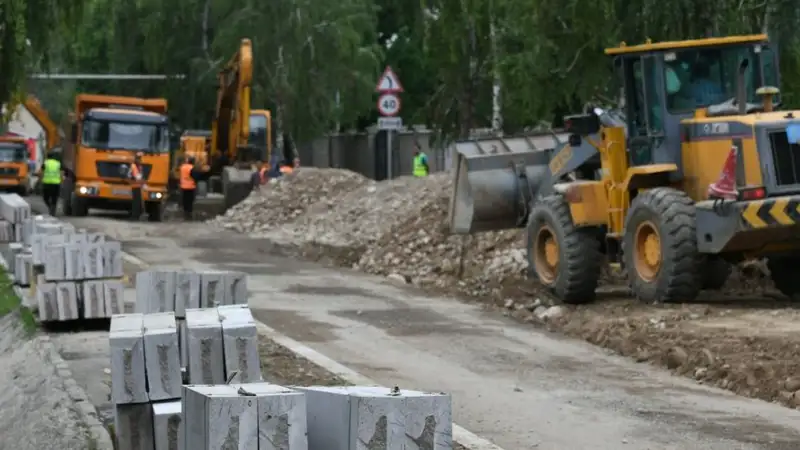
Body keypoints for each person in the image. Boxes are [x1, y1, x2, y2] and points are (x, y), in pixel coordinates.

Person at [179, 156, 205, 220]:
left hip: (183, 186)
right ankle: (189, 212)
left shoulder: (182, 167)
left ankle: (185, 211)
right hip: (191, 186)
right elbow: (195, 176)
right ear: (193, 162)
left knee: (185, 199)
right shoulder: (192, 168)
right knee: (190, 200)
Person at [128, 152, 145, 220]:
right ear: (136, 159)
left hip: (138, 186)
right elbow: (134, 176)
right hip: (135, 186)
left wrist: (142, 182)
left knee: (138, 201)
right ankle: (135, 216)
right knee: (136, 202)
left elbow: (140, 175)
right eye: (139, 159)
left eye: (140, 159)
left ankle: (138, 214)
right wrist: (139, 179)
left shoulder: (139, 166)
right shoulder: (133, 166)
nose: (140, 160)